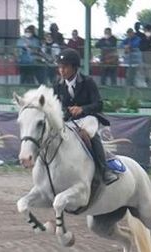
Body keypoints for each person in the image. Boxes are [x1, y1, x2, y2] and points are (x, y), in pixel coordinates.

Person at [52, 48, 117, 185]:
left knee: (90, 134)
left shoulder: (88, 82)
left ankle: (103, 169)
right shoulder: (57, 85)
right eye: (59, 67)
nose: (61, 71)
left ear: (74, 67)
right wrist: (66, 111)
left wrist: (82, 109)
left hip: (88, 117)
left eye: (65, 67)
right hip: (69, 120)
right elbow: (56, 106)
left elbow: (99, 104)